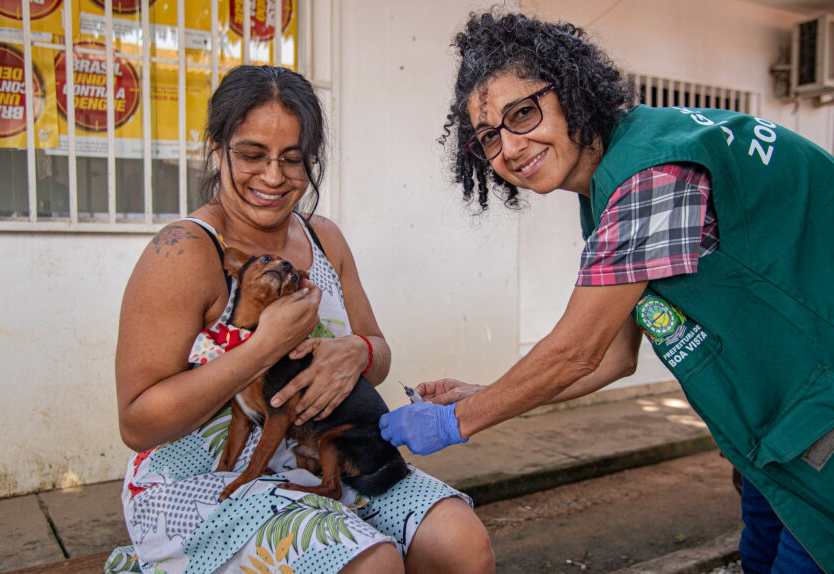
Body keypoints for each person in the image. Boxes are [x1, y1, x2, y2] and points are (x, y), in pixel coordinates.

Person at [378, 11, 834, 574]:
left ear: (571, 90)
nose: (511, 148)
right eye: (488, 138)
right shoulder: (612, 183)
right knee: (759, 556)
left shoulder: (651, 174)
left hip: (819, 419)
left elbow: (578, 350)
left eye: (523, 113)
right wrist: (485, 390)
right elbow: (615, 356)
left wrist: (460, 420)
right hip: (780, 436)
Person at [105, 65, 494, 574]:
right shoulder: (183, 253)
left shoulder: (323, 239)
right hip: (202, 482)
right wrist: (265, 346)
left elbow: (376, 353)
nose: (272, 177)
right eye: (251, 155)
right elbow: (138, 422)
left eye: (293, 159)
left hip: (318, 457)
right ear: (217, 148)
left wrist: (359, 351)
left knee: (461, 540)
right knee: (369, 564)